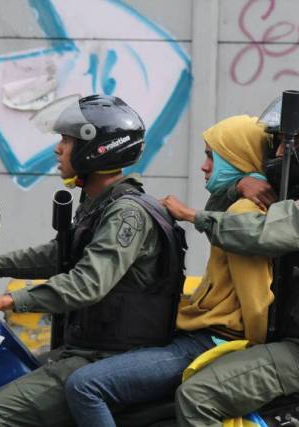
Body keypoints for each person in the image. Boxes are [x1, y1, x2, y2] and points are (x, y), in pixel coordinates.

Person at [0, 94, 185, 427]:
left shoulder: (126, 213)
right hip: (88, 347)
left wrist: (6, 300)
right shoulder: (101, 202)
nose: (58, 148)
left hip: (110, 356)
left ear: (97, 149)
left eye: (66, 140)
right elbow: (61, 253)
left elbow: (87, 283)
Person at [162, 89, 299, 426]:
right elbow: (231, 216)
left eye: (286, 144)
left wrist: (192, 216)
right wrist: (239, 183)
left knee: (198, 397)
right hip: (288, 340)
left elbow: (261, 233)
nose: (277, 152)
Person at [63, 115, 274, 426]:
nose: (204, 166)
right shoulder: (239, 205)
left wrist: (255, 353)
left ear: (238, 157)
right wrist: (241, 182)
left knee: (85, 386)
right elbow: (215, 211)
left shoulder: (244, 211)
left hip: (209, 341)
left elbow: (256, 297)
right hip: (201, 334)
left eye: (211, 156)